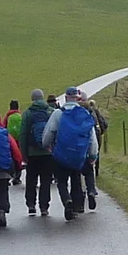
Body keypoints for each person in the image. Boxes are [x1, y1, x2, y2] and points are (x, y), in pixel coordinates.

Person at [42, 87, 99, 221]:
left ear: (66, 98)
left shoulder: (58, 114)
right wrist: (93, 156)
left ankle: (67, 201)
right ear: (78, 99)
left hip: (61, 155)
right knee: (76, 178)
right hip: (79, 155)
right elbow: (91, 138)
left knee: (61, 181)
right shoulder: (83, 113)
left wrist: (47, 146)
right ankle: (77, 205)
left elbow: (48, 134)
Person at [20, 89, 55, 217]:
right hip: (47, 152)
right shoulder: (50, 112)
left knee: (31, 179)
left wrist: (24, 155)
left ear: (32, 99)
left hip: (32, 152)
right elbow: (55, 132)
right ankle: (44, 206)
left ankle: (31, 204)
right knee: (46, 180)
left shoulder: (27, 113)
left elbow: (23, 135)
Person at [0, 100, 23, 185]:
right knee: (19, 158)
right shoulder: (20, 116)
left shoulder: (8, 116)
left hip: (10, 141)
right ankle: (17, 177)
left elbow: (3, 127)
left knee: (11, 159)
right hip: (19, 141)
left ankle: (10, 176)